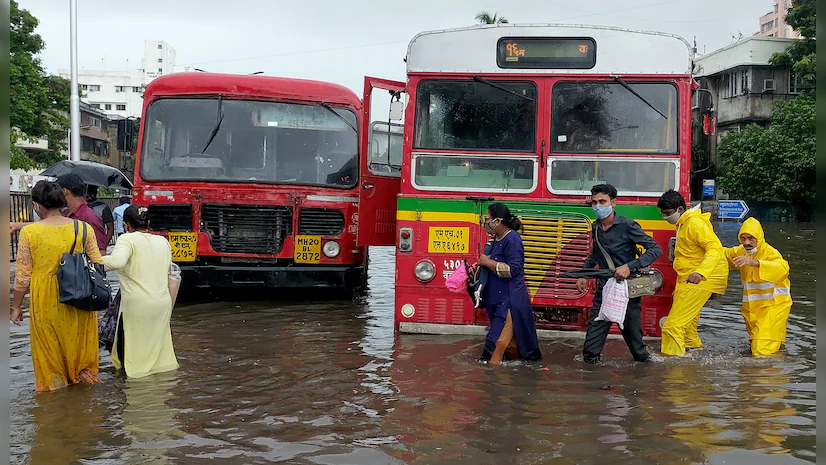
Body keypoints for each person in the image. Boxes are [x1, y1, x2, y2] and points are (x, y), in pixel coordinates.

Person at [10, 180, 103, 391]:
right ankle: (85, 396)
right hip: (79, 295)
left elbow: (23, 277)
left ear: (37, 205)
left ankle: (56, 398)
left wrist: (16, 307)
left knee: (50, 355)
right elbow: (97, 263)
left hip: (45, 299)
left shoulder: (30, 233)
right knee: (79, 351)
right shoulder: (83, 228)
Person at [578, 184, 663, 364]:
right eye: (594, 202)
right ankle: (591, 375)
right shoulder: (596, 227)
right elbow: (595, 253)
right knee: (590, 349)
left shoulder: (627, 225)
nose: (598, 206)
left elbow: (655, 249)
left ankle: (644, 371)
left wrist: (629, 267)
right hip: (604, 290)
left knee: (637, 350)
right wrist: (584, 274)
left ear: (613, 202)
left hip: (627, 291)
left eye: (602, 202)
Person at [101, 204, 179, 378]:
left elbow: (117, 262)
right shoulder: (162, 241)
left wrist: (89, 261)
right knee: (157, 351)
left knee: (130, 353)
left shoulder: (127, 239)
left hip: (138, 306)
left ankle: (130, 386)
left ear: (125, 225)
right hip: (162, 303)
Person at [657, 189, 728, 356]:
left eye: (667, 213)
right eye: (663, 213)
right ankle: (694, 357)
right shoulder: (684, 223)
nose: (665, 217)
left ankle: (672, 364)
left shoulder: (694, 223)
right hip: (691, 277)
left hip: (700, 278)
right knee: (687, 327)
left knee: (672, 326)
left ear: (680, 209)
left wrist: (701, 273)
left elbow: (715, 249)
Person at [477, 203, 542, 365]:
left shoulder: (512, 239)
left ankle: (492, 378)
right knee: (511, 348)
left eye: (488, 219)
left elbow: (514, 270)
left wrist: (487, 262)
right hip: (498, 301)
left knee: (495, 345)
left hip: (510, 301)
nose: (486, 223)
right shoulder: (496, 239)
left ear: (498, 221)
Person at [724, 218, 792, 356]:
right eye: (743, 238)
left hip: (773, 307)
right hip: (752, 309)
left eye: (751, 238)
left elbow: (783, 269)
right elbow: (723, 253)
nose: (746, 242)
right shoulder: (741, 251)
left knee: (761, 350)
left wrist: (755, 263)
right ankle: (779, 361)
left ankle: (765, 369)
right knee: (763, 343)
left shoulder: (770, 253)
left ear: (759, 238)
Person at [11, 175, 109, 256]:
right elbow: (47, 225)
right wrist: (16, 225)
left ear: (64, 191)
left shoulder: (89, 217)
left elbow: (101, 252)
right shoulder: (66, 212)